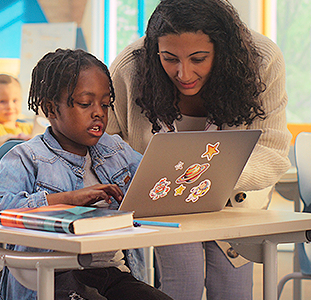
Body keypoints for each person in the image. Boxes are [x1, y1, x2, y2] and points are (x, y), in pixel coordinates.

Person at [108, 0, 291, 299]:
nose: (183, 73)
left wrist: (213, 176)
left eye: (198, 58)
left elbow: (272, 149)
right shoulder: (131, 66)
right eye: (169, 58)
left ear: (223, 50)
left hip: (235, 204)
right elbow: (110, 145)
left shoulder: (261, 59)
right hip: (164, 208)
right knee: (184, 282)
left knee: (233, 290)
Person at [0, 48, 172, 300]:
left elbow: (157, 182)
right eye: (85, 104)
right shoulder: (27, 157)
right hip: (50, 275)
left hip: (108, 272)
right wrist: (69, 200)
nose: (98, 113)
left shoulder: (115, 149)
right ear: (51, 108)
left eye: (105, 105)